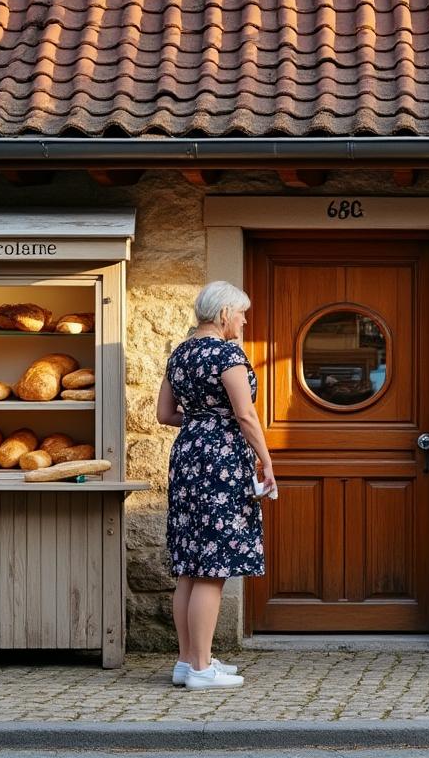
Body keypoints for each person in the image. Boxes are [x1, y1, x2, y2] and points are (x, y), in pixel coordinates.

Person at [156, 280, 276, 690]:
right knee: (212, 568)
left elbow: (163, 413)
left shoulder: (180, 353)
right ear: (224, 314)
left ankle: (188, 662)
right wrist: (266, 459)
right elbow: (245, 415)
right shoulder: (227, 354)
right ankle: (202, 670)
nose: (244, 320)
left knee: (190, 564)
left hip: (188, 457)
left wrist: (199, 423)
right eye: (241, 313)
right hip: (221, 459)